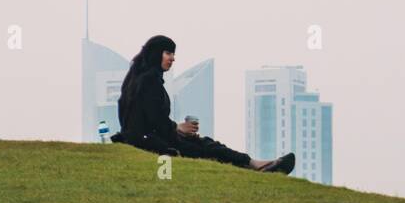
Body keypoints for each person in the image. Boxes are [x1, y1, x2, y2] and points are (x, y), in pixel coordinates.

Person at [111, 35, 295, 174]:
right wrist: (177, 127)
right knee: (205, 147)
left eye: (173, 53)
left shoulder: (136, 79)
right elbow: (154, 120)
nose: (173, 58)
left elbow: (145, 119)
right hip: (150, 142)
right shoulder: (149, 80)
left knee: (204, 143)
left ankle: (254, 164)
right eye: (168, 53)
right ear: (155, 54)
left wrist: (177, 129)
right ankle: (255, 165)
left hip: (145, 138)